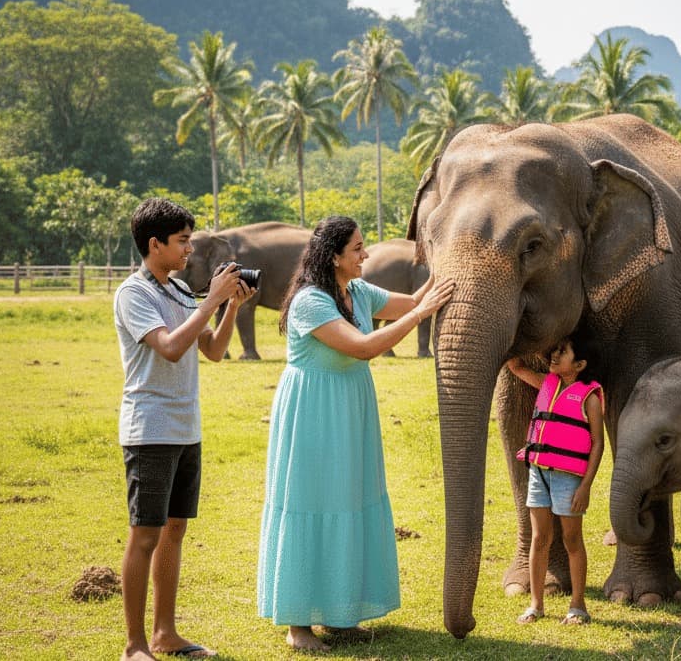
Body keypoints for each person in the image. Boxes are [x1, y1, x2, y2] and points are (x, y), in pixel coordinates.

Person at [257, 216, 454, 652]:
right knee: (311, 502)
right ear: (333, 257)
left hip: (349, 408)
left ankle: (340, 614)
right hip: (313, 413)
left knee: (347, 501)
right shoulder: (310, 301)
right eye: (358, 248)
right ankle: (297, 625)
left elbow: (412, 300)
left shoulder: (358, 291)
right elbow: (364, 347)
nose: (366, 254)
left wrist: (446, 263)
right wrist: (421, 314)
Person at [113, 197, 255, 661]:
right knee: (145, 535)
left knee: (174, 531)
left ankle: (165, 634)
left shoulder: (176, 289)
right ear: (154, 244)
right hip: (150, 430)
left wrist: (230, 307)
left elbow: (212, 350)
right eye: (182, 241)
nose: (190, 250)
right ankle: (134, 646)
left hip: (185, 428)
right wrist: (211, 300)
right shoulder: (134, 294)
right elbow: (171, 347)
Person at [506, 333, 605, 626]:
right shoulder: (547, 384)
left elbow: (598, 444)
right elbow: (517, 368)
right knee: (539, 538)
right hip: (539, 473)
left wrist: (585, 486)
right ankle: (536, 605)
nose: (554, 355)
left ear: (579, 364)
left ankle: (578, 606)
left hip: (569, 478)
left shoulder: (589, 398)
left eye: (562, 352)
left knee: (572, 540)